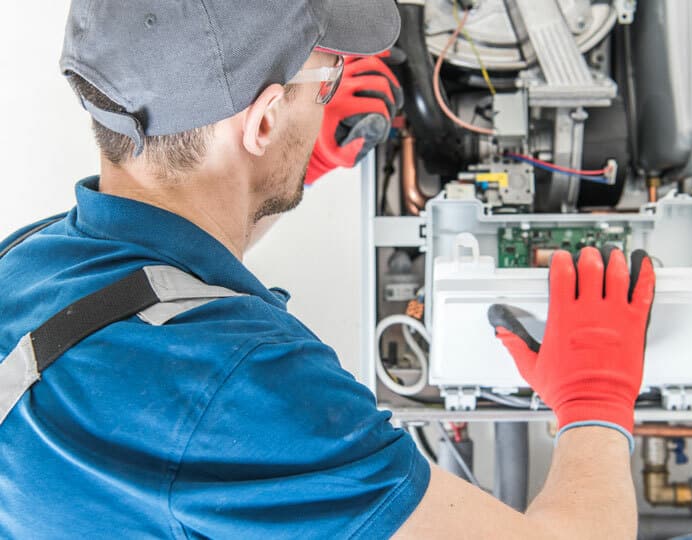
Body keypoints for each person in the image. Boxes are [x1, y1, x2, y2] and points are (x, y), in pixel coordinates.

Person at [0, 1, 655, 538]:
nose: (334, 95)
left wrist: (290, 167)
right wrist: (596, 401)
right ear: (261, 121)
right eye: (328, 78)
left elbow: (163, 285)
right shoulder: (244, 389)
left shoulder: (29, 261)